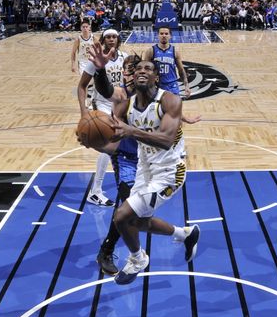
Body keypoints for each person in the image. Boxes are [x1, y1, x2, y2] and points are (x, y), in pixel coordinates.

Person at [86, 43, 201, 276]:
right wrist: (92, 141)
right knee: (135, 222)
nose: (141, 71)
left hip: (170, 172)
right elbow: (113, 141)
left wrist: (131, 131)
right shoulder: (126, 105)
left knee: (121, 216)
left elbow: (166, 140)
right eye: (138, 68)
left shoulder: (169, 101)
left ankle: (138, 259)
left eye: (148, 69)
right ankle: (185, 234)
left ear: (156, 77)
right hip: (144, 168)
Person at [77, 29, 127, 206]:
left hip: (120, 103)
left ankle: (128, 178)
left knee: (122, 145)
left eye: (114, 36)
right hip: (102, 105)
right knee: (108, 143)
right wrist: (84, 112)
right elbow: (82, 86)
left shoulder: (125, 57)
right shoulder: (95, 61)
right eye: (108, 37)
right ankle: (95, 190)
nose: (111, 39)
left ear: (118, 39)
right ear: (103, 39)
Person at [143, 26, 191, 98]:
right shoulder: (151, 51)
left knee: (174, 108)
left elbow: (181, 70)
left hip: (172, 85)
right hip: (157, 85)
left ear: (170, 36)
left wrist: (186, 86)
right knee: (156, 108)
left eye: (166, 34)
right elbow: (144, 70)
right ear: (158, 35)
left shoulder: (175, 51)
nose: (164, 36)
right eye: (161, 33)